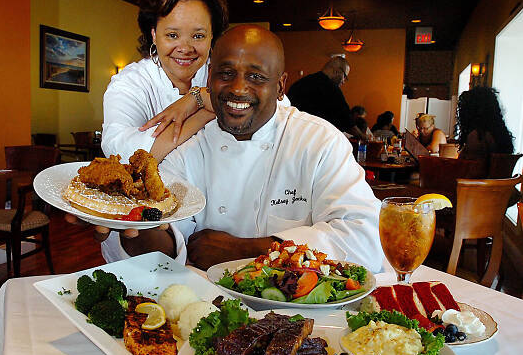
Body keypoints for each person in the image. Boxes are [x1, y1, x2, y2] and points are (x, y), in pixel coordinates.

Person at [96, 25, 383, 272]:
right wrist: (134, 225)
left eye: (256, 77)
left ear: (281, 86)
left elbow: (365, 240)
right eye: (226, 73)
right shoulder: (190, 150)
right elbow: (170, 236)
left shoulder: (318, 142)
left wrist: (242, 250)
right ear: (209, 78)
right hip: (210, 308)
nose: (238, 88)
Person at [101, 0, 228, 162]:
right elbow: (121, 153)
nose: (185, 48)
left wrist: (200, 96)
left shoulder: (226, 72)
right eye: (172, 35)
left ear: (212, 37)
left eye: (198, 36)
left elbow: (274, 112)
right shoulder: (130, 82)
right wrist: (206, 108)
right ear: (153, 34)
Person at [287, 56, 367, 141]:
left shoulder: (299, 84)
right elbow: (347, 122)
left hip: (292, 137)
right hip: (314, 141)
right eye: (345, 77)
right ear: (337, 71)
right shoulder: (332, 89)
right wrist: (364, 137)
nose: (343, 81)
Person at [456, 87, 514, 169]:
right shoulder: (500, 135)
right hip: (496, 181)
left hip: (477, 181)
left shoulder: (478, 136)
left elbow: (467, 169)